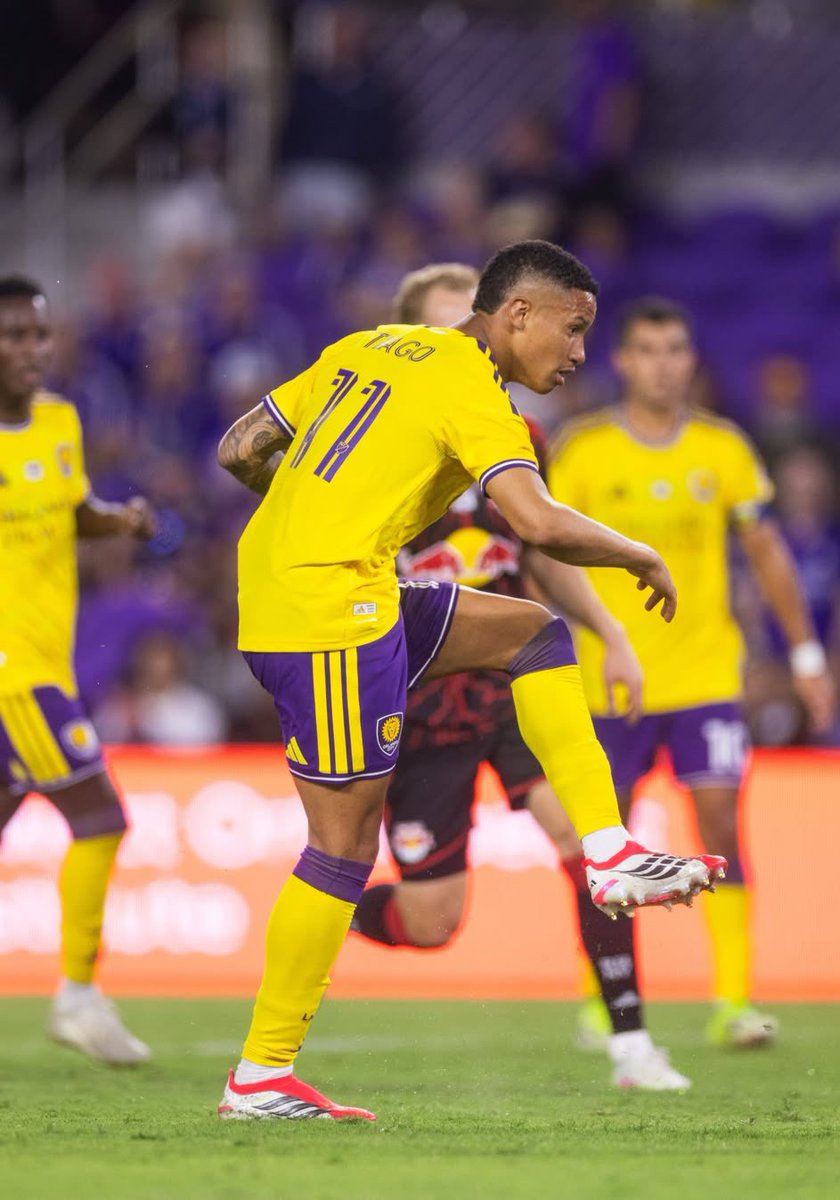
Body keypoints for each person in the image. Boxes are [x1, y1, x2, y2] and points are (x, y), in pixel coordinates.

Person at [216, 240, 726, 1121]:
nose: (577, 355)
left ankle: (606, 851)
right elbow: (534, 520)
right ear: (517, 313)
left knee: (531, 634)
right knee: (341, 849)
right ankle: (261, 1076)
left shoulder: (370, 345)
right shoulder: (473, 388)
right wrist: (638, 552)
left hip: (338, 588)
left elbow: (239, 447)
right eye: (573, 331)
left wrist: (313, 512)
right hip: (329, 612)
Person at [350, 262, 688, 1091]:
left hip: (508, 674)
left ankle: (632, 1044)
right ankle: (318, 908)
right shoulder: (383, 433)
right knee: (431, 924)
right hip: (419, 695)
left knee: (582, 839)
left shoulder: (514, 433)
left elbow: (536, 547)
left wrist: (611, 631)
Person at [549, 297, 835, 1049]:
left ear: (691, 359)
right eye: (648, 350)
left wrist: (806, 656)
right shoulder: (583, 451)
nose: (663, 364)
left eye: (676, 350)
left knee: (719, 828)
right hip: (605, 682)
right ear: (622, 361)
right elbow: (543, 553)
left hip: (706, 678)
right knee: (604, 847)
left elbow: (768, 555)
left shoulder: (723, 449)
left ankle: (734, 1003)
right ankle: (599, 999)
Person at [0, 276, 157, 1064]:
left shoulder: (59, 421)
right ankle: (78, 995)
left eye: (39, 335)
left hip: (42, 662)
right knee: (100, 818)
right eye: (14, 337)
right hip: (11, 676)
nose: (31, 351)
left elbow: (72, 505)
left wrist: (117, 518)